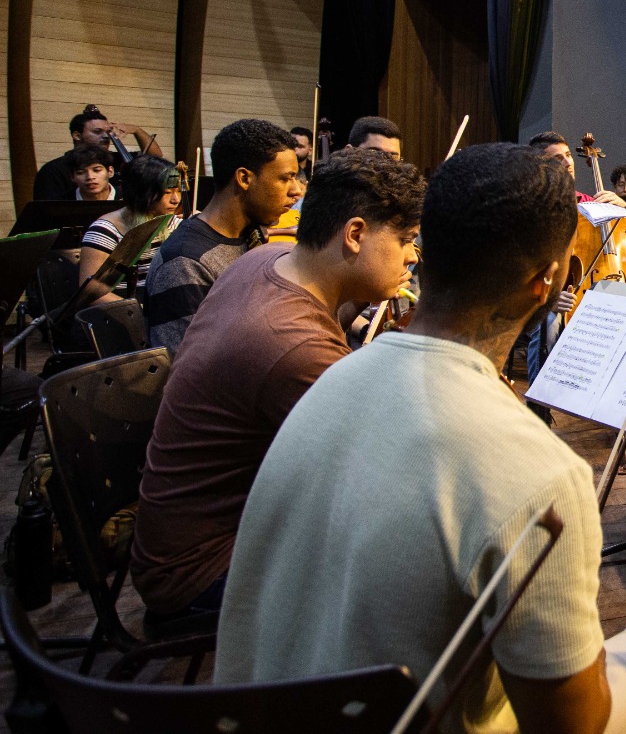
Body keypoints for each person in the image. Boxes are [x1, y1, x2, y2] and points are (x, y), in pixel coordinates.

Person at [216, 144, 626, 734]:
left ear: (424, 253)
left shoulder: (329, 377)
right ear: (549, 282)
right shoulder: (542, 477)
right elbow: (571, 727)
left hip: (269, 715)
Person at [131, 149, 424, 621]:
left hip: (182, 535)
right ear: (354, 235)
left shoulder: (263, 260)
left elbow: (318, 326)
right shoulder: (292, 347)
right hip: (199, 572)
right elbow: (384, 470)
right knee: (413, 560)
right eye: (407, 239)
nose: (413, 256)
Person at [144, 120, 301, 354]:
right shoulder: (186, 262)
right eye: (286, 178)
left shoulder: (249, 234)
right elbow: (188, 369)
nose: (296, 190)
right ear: (244, 178)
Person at [77, 155, 184, 304]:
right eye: (167, 192)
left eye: (178, 191)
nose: (176, 199)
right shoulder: (104, 231)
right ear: (142, 192)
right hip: (125, 310)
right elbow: (91, 294)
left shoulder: (174, 223)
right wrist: (138, 312)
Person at [32, 105, 164, 200]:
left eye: (107, 132)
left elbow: (155, 157)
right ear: (77, 136)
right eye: (97, 132)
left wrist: (137, 130)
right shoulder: (53, 170)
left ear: (110, 170)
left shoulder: (116, 159)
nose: (106, 137)